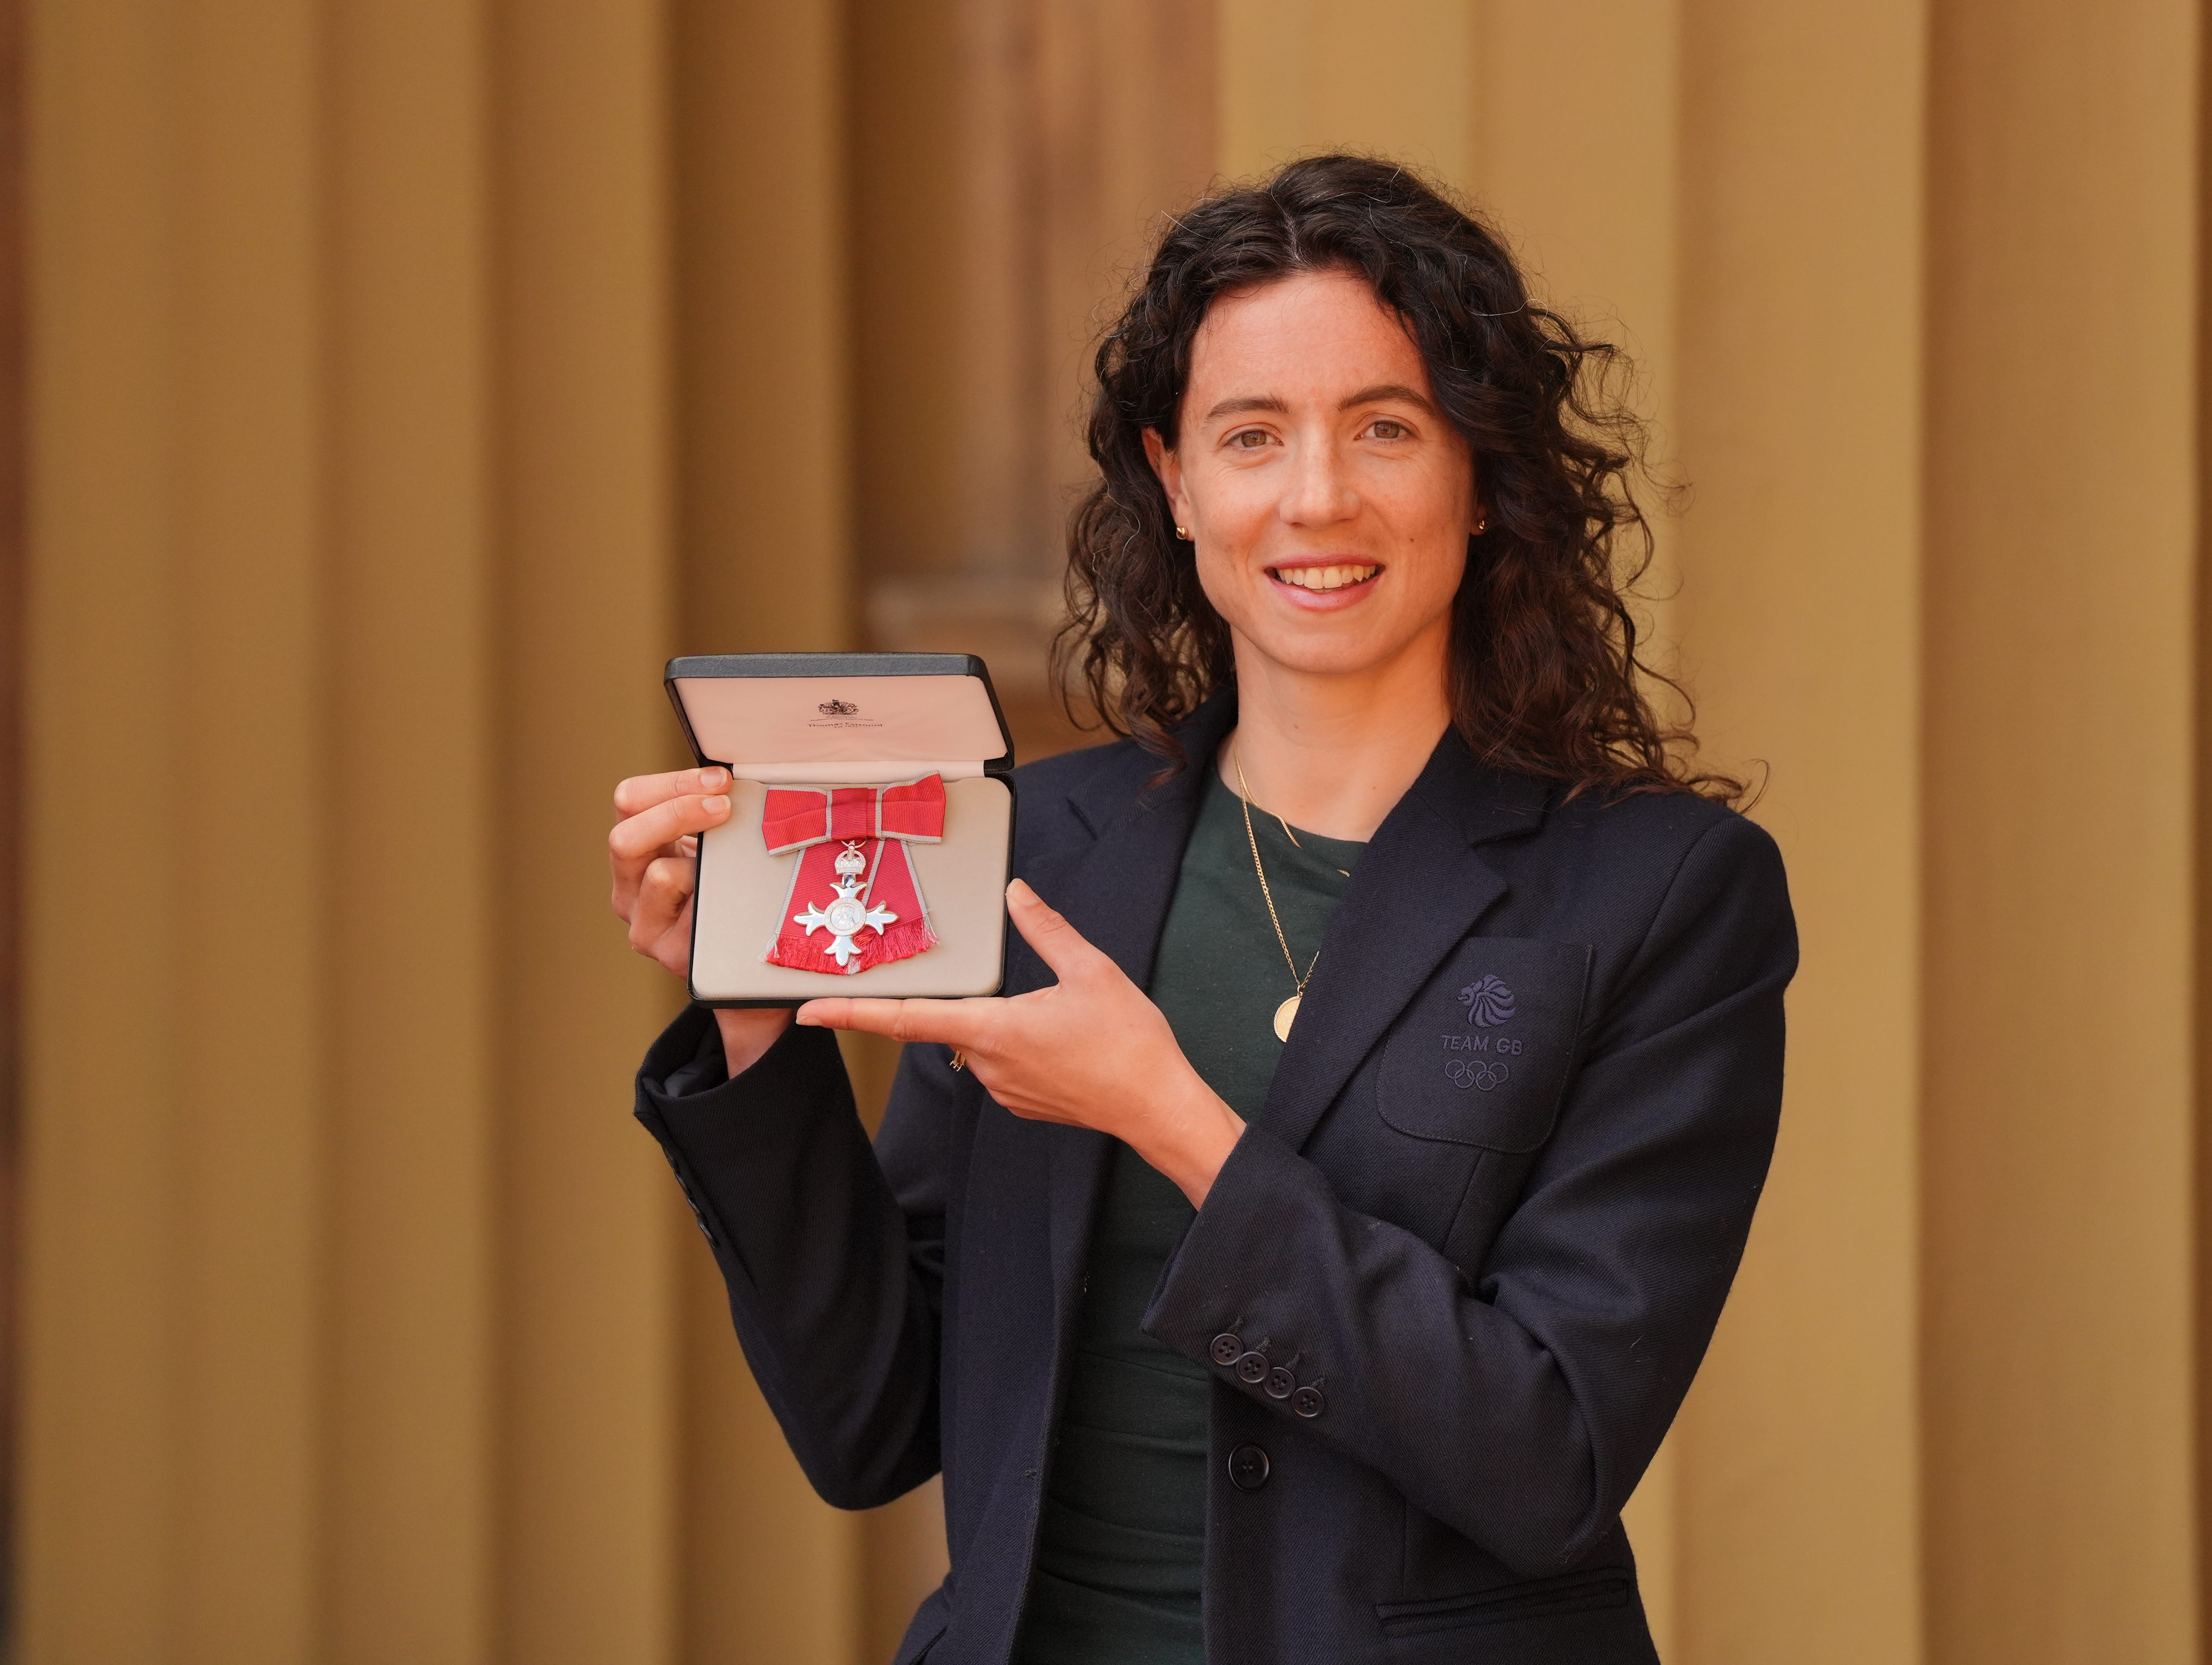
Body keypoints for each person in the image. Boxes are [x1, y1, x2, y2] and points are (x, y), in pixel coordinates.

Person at [608, 155, 1796, 1665]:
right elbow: (873, 1419)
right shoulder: (1039, 849)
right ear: (1176, 483)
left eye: (1386, 428)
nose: (1317, 498)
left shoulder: (1662, 895)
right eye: (1253, 436)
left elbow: (1545, 1449)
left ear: (1482, 478)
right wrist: (756, 1024)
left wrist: (1169, 1116)